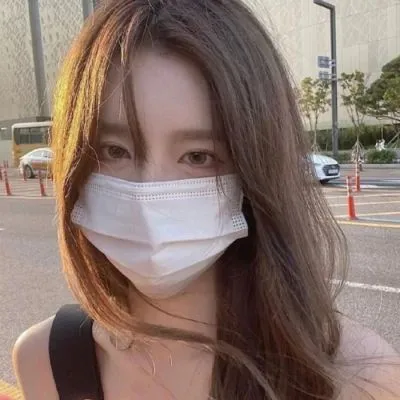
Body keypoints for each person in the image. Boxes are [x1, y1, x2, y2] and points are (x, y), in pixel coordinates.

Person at [12, 0, 400, 399]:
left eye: (199, 156)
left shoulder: (357, 379)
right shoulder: (46, 361)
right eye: (114, 150)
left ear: (256, 170)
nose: (149, 199)